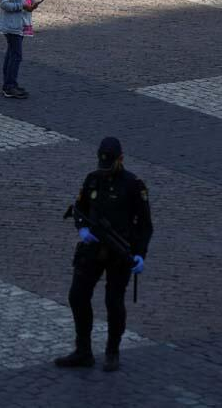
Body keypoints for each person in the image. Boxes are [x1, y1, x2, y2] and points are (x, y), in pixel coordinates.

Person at [54, 137, 154, 372]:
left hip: (120, 252)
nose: (105, 169)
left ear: (121, 159)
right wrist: (82, 228)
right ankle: (83, 350)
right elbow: (80, 208)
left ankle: (112, 351)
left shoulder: (133, 185)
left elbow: (145, 225)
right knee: (77, 296)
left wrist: (140, 254)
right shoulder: (93, 179)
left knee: (114, 302)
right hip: (93, 249)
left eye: (110, 164)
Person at [0, 0, 42, 99]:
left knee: (12, 53)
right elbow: (4, 3)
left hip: (22, 22)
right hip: (12, 25)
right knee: (16, 55)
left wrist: (31, 5)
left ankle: (9, 84)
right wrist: (21, 6)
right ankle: (9, 86)